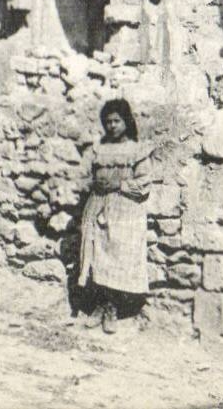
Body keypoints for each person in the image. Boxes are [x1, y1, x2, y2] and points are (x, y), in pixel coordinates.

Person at [78, 97, 153, 334]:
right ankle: (99, 306)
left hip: (124, 210)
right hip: (97, 205)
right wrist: (93, 183)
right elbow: (82, 175)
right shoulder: (98, 149)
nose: (112, 126)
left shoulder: (136, 150)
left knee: (118, 254)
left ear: (126, 122)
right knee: (97, 254)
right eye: (108, 122)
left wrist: (119, 184)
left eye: (116, 121)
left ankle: (112, 308)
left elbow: (145, 183)